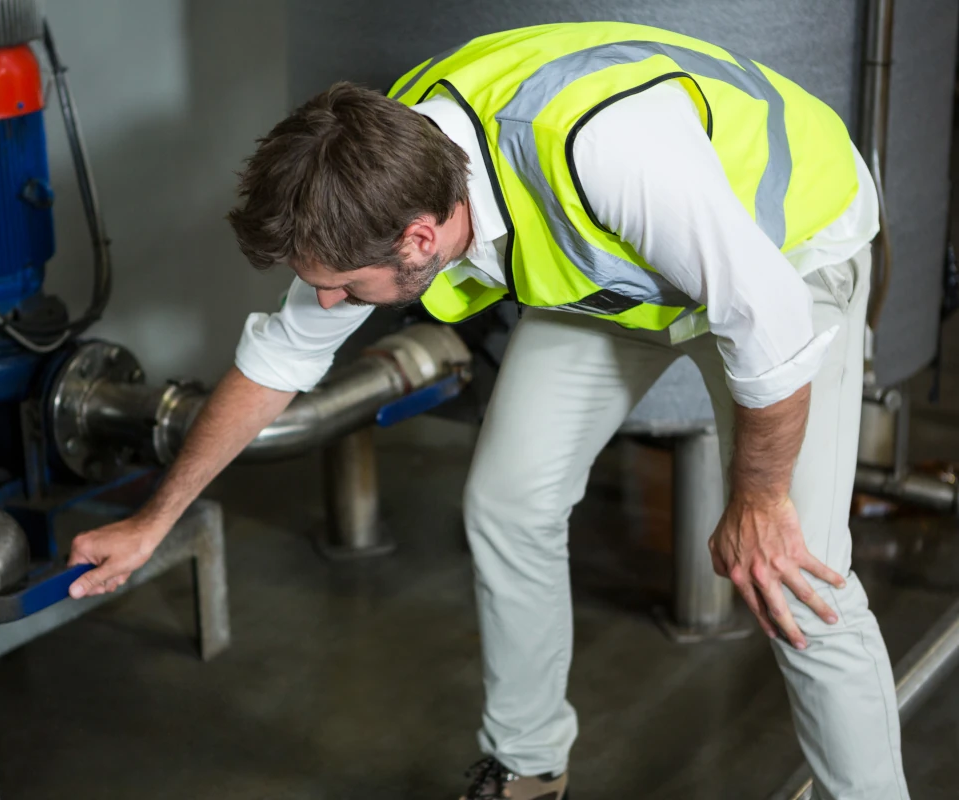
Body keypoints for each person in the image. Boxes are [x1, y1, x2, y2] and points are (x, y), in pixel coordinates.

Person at [66, 21, 907, 800]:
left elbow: (771, 328)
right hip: (632, 278)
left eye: (342, 288)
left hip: (792, 255)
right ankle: (529, 767)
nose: (324, 301)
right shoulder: (374, 185)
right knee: (510, 498)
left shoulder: (604, 153)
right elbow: (277, 360)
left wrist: (760, 503)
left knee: (800, 576)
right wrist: (154, 518)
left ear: (420, 242)